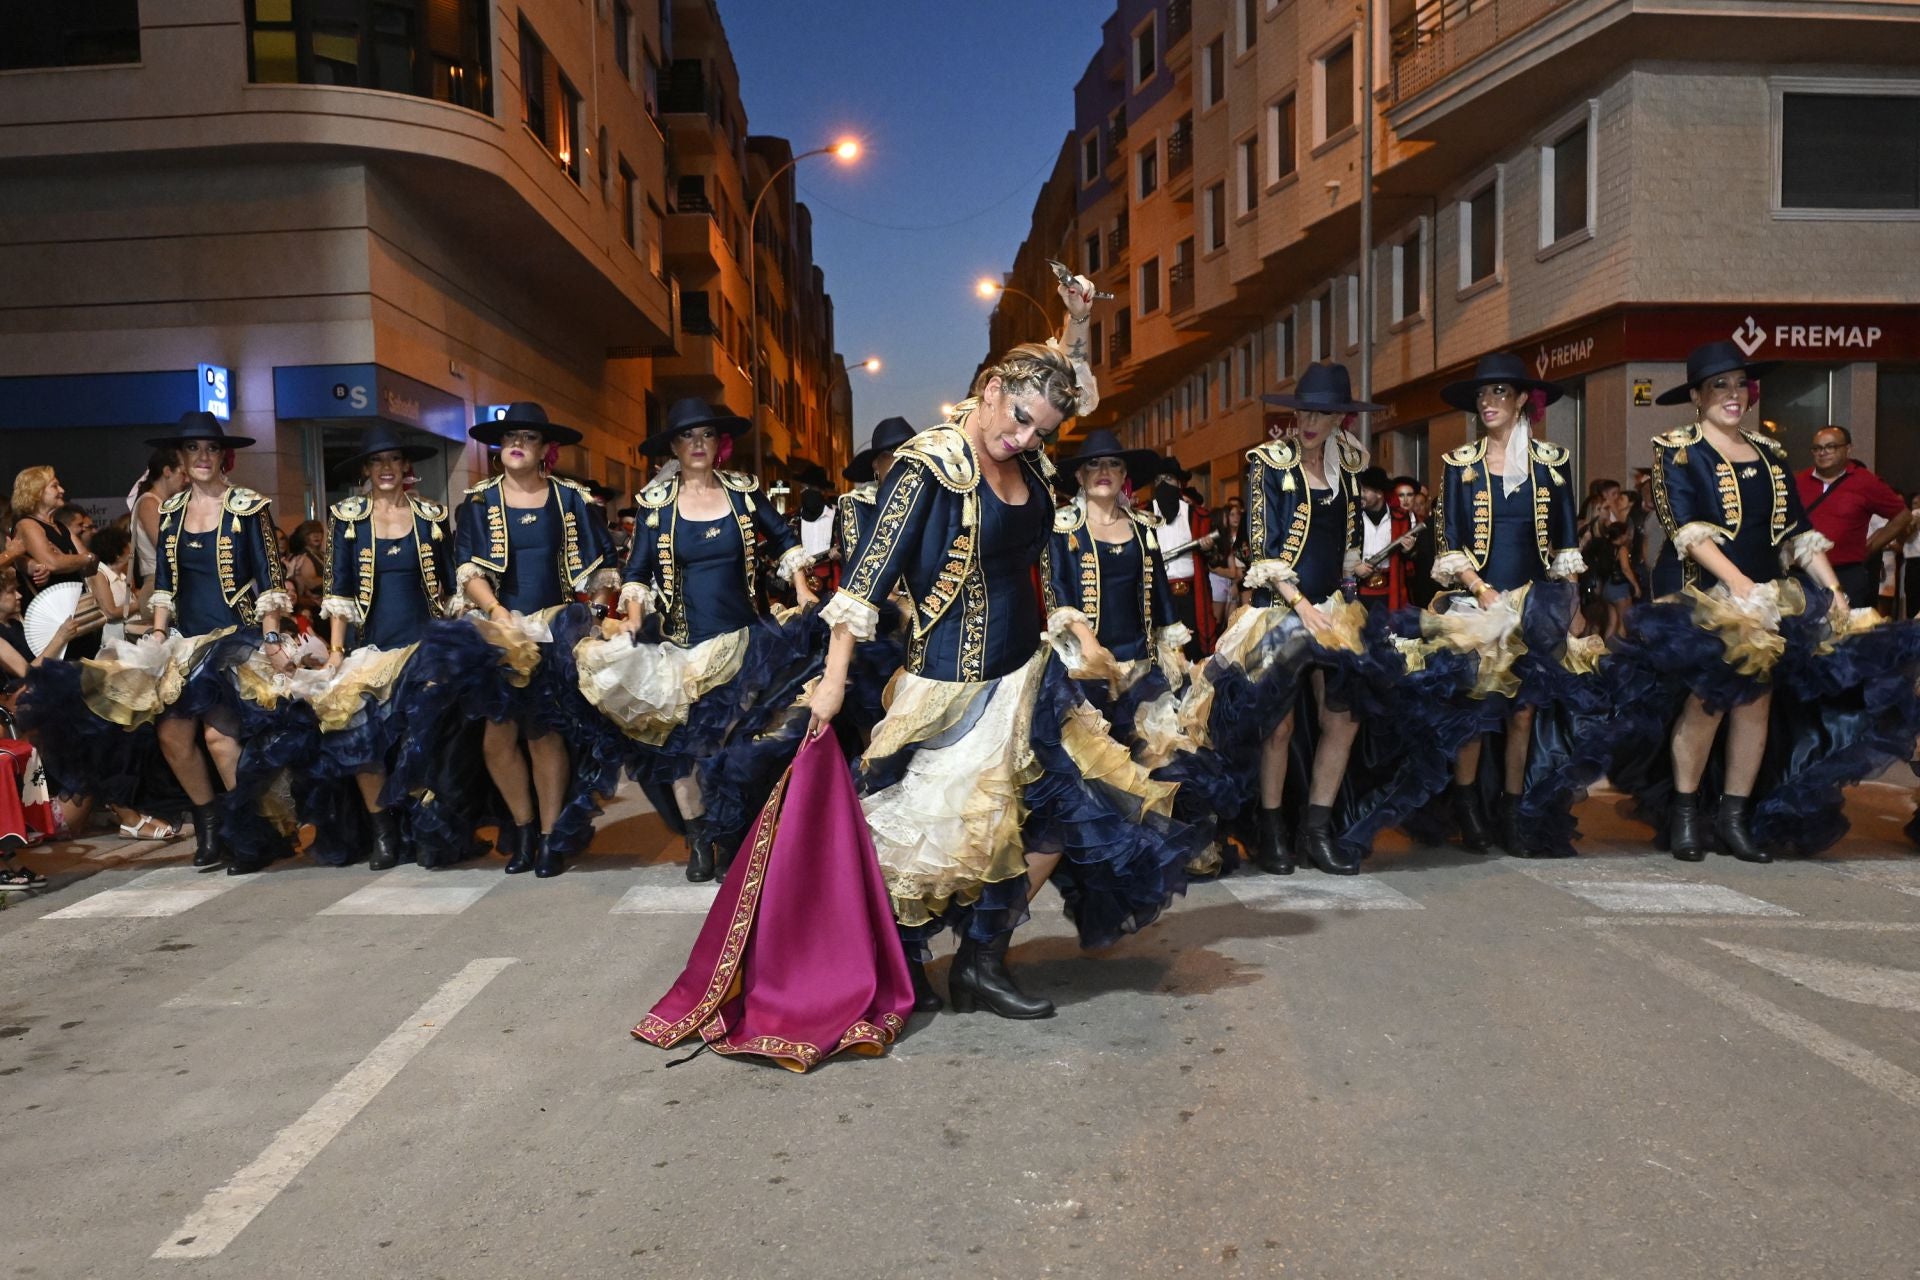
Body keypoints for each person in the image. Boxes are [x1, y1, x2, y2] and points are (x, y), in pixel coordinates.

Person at [807, 280, 1194, 1020]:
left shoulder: (1034, 463)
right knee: (935, 841)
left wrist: (1077, 323)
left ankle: (982, 961)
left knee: (1064, 814)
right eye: (1019, 419)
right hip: (952, 685)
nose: (1024, 440)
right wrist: (832, 682)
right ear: (990, 391)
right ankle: (895, 963)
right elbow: (864, 582)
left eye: (1040, 432)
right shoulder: (928, 466)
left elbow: (1060, 387)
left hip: (1029, 677)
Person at [1608, 341, 1920, 861]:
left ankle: (1735, 818)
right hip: (1704, 594)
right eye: (1719, 386)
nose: (1733, 395)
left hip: (1768, 593)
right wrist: (1738, 585)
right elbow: (1685, 529)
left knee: (1756, 704)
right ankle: (1685, 814)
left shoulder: (1770, 452)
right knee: (1707, 703)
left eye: (1740, 384)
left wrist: (1834, 590)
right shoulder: (1677, 450)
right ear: (1697, 396)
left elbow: (1798, 533)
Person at [577, 397, 820, 883]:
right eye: (687, 436)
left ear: (719, 443)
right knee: (688, 749)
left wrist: (801, 587)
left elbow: (784, 538)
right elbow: (637, 572)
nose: (698, 444)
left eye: (706, 434)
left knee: (735, 746)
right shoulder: (655, 506)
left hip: (748, 643)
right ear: (673, 446)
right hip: (685, 650)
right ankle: (699, 838)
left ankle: (731, 835)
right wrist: (634, 619)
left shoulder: (744, 493)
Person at [1424, 352, 1600, 858]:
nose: (1488, 401)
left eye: (1500, 392)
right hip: (1477, 604)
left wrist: (1573, 606)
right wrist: (1480, 589)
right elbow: (1448, 540)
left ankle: (1513, 810)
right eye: (1483, 393)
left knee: (1524, 712)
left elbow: (1565, 544)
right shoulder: (1459, 465)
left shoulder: (1553, 462)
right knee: (1477, 714)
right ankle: (1468, 809)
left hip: (1537, 605)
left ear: (1523, 399)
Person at [450, 402, 619, 878]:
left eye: (528, 438)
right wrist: (497, 612)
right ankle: (522, 829)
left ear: (546, 449)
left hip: (556, 630)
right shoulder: (478, 502)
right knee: (496, 740)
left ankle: (549, 838)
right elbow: (467, 570)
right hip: (501, 629)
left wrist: (594, 617)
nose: (517, 445)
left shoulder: (572, 499)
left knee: (544, 735)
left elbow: (604, 569)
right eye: (510, 437)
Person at [304, 423, 461, 870]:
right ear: (366, 469)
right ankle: (383, 833)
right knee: (359, 740)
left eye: (393, 459)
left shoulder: (431, 514)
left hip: (425, 646)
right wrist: (337, 652)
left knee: (423, 740)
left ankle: (425, 829)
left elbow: (452, 584)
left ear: (405, 464)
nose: (386, 468)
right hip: (371, 650)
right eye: (377, 461)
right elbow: (338, 590)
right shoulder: (347, 517)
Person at [1796, 425, 1907, 608]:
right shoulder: (1799, 481)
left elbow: (1902, 516)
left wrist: (1871, 547)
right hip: (1802, 574)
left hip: (1846, 574)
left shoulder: (1865, 481)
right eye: (1817, 448)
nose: (1822, 453)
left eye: (1830, 447)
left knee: (1845, 624)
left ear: (1848, 449)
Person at [9, 468, 106, 660]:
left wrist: (74, 560)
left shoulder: (61, 527)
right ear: (36, 492)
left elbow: (92, 565)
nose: (62, 490)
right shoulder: (27, 525)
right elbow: (53, 563)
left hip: (76, 615)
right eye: (54, 486)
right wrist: (81, 559)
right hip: (51, 620)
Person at [1149, 459, 1217, 658]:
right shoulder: (1143, 515)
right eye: (1158, 480)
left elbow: (1215, 560)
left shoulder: (1198, 516)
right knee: (1162, 653)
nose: (1163, 484)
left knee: (1192, 650)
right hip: (1157, 597)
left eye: (1168, 478)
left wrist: (1208, 549)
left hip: (1190, 597)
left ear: (1179, 483)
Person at [1353, 466, 1414, 616]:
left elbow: (1409, 561)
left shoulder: (1401, 518)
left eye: (1365, 491)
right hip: (1359, 589)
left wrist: (1408, 550)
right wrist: (1355, 568)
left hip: (1390, 589)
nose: (1361, 495)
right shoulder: (1353, 517)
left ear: (1379, 493)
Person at [132, 447, 185, 593]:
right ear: (167, 471)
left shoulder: (165, 503)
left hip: (171, 581)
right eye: (183, 473)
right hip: (159, 583)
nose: (187, 480)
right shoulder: (149, 503)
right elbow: (166, 546)